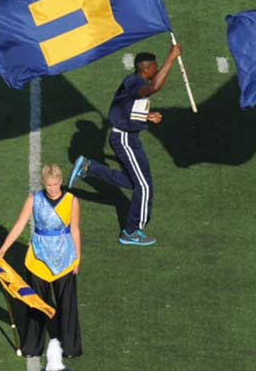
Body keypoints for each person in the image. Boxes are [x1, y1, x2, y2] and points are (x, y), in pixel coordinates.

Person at [68, 44, 181, 247]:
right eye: (155, 68)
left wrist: (147, 116)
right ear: (146, 69)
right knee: (144, 187)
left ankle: (89, 167)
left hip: (130, 138)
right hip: (125, 139)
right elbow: (155, 86)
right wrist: (171, 58)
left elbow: (128, 110)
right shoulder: (136, 83)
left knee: (134, 183)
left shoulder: (136, 82)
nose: (156, 72)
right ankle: (131, 231)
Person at [0, 163, 82, 357]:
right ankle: (32, 347)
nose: (52, 188)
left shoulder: (72, 201)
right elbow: (19, 225)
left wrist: (77, 258)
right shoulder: (35, 199)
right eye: (49, 185)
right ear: (43, 183)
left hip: (65, 258)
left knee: (67, 305)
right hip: (38, 259)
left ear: (61, 182)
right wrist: (3, 249)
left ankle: (70, 347)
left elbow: (75, 229)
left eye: (56, 184)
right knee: (35, 304)